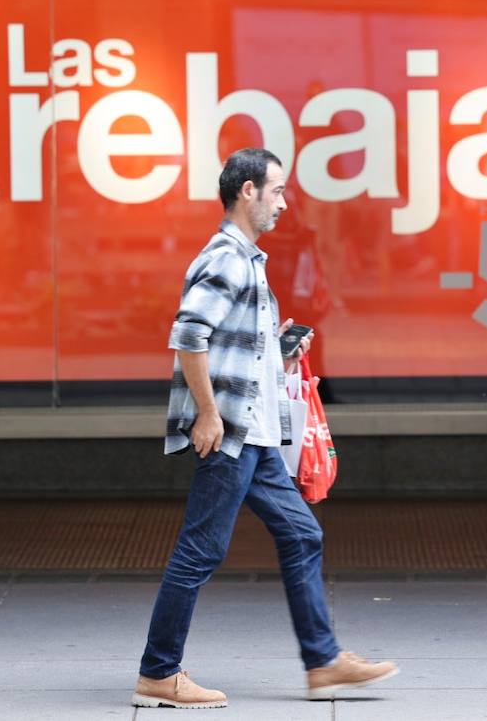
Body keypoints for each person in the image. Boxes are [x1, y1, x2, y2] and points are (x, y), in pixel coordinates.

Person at [133, 148, 398, 710]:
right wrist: (207, 413)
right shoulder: (226, 257)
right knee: (199, 551)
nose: (284, 201)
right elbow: (188, 335)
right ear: (247, 192)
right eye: (277, 190)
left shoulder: (250, 259)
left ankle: (323, 663)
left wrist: (282, 354)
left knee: (302, 534)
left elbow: (237, 351)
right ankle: (159, 673)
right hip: (231, 436)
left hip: (255, 436)